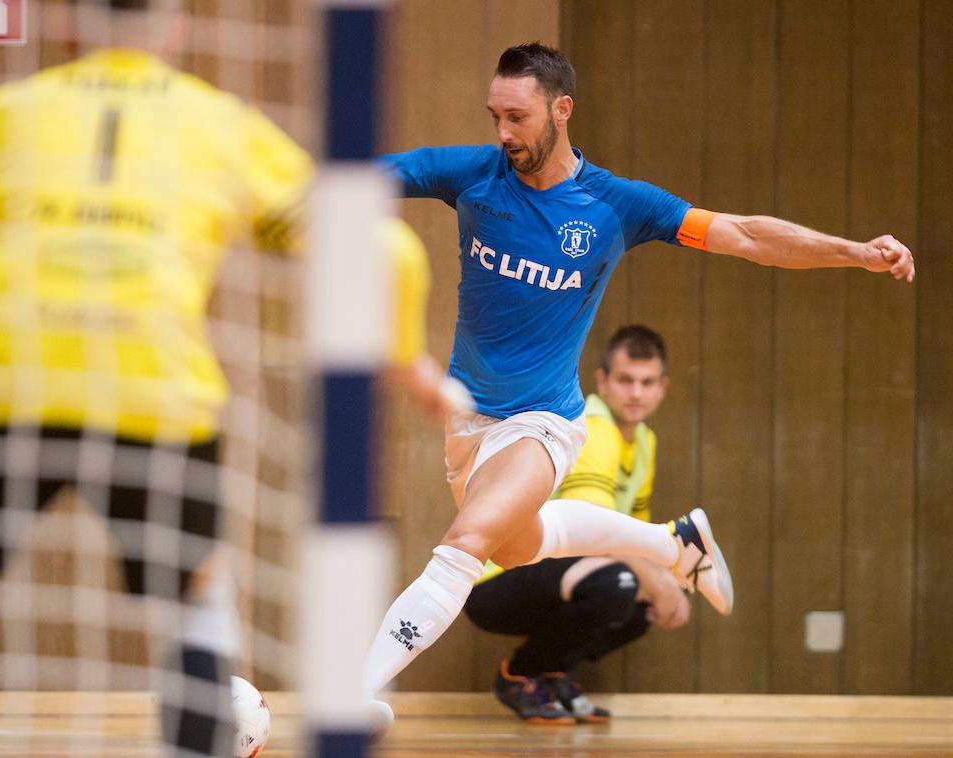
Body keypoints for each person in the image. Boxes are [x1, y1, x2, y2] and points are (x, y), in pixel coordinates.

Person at [0, 2, 446, 757]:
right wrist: (406, 359)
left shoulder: (8, 110)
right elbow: (386, 248)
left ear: (65, 26)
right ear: (176, 31)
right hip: (152, 392)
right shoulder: (220, 124)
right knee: (199, 596)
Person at [362, 41, 914, 708]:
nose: (503, 133)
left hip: (542, 420)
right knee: (518, 547)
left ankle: (352, 694)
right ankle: (675, 546)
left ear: (562, 110)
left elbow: (744, 234)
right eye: (494, 117)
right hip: (467, 423)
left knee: (467, 544)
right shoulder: (474, 176)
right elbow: (361, 176)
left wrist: (854, 252)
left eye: (518, 118)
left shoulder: (615, 205)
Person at [464, 324, 689, 723]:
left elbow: (634, 533)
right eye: (625, 380)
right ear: (602, 381)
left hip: (553, 570)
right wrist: (659, 581)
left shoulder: (644, 443)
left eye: (646, 382)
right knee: (621, 582)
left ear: (662, 387)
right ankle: (516, 675)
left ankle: (550, 675)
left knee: (641, 602)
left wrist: (666, 584)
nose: (635, 392)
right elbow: (598, 535)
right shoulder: (594, 432)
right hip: (497, 579)